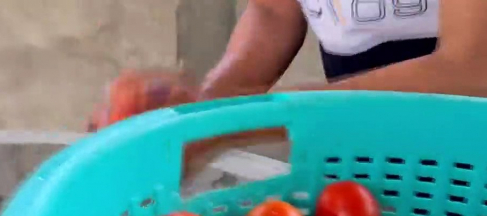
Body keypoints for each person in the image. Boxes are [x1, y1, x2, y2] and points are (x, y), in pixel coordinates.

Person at [89, 0, 487, 130]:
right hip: (363, 137)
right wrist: (207, 108)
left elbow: (470, 69)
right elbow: (274, 12)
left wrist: (246, 122)